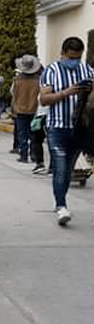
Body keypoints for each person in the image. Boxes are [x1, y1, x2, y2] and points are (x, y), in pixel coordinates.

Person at [40, 36, 94, 226]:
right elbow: (44, 100)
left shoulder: (88, 71)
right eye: (71, 57)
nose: (74, 61)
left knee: (69, 168)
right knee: (61, 169)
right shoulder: (51, 71)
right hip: (58, 128)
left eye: (78, 57)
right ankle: (61, 205)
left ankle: (60, 199)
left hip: (80, 129)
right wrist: (66, 92)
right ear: (63, 54)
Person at [11, 55, 42, 164]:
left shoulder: (16, 80)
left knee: (22, 134)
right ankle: (34, 155)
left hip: (20, 110)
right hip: (34, 110)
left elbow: (12, 93)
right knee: (33, 134)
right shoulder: (39, 80)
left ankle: (23, 155)